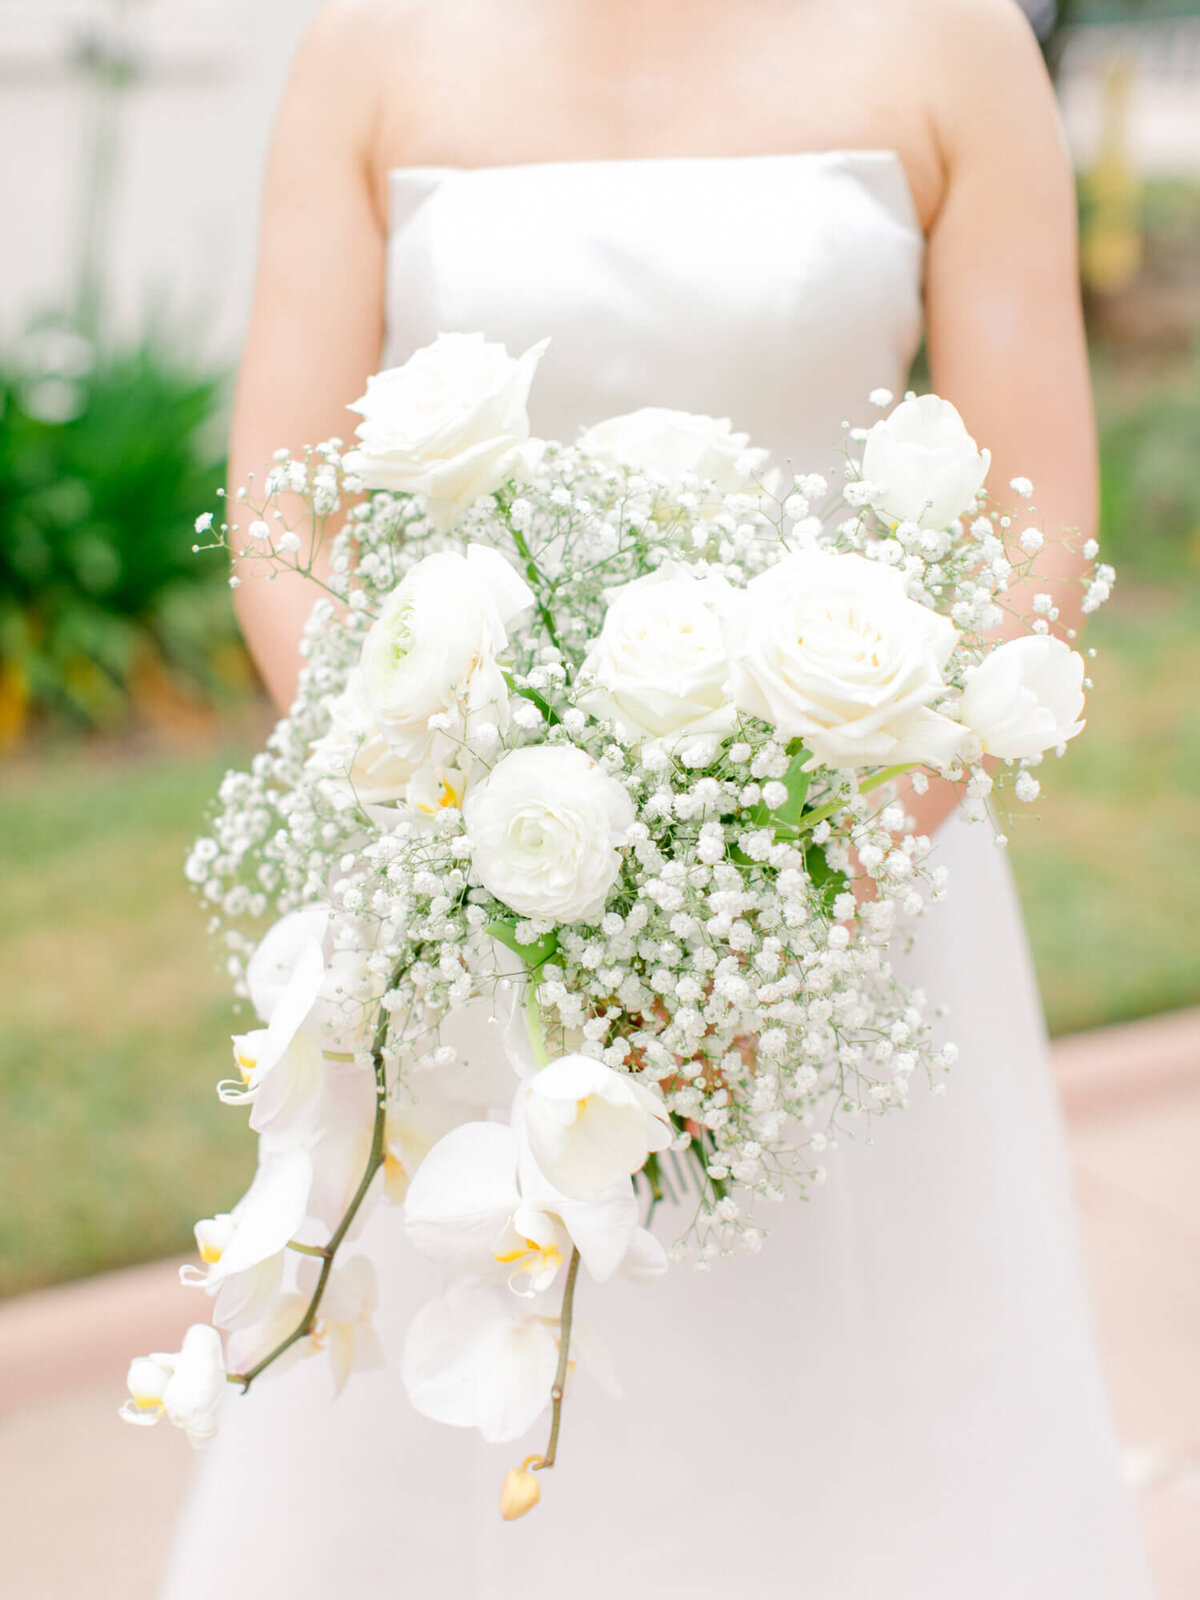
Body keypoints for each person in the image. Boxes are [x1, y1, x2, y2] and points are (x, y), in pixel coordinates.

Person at [161, 1, 1156, 1595]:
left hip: (842, 876)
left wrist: (794, 891)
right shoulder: (371, 42)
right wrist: (452, 812)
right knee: (452, 1382)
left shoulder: (955, 39)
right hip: (463, 861)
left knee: (853, 1420)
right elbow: (284, 502)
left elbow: (1028, 528)